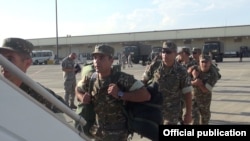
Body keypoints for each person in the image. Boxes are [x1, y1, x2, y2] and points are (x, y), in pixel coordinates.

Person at [75, 44, 151, 141]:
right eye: (94, 58)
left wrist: (121, 94)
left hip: (118, 134)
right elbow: (77, 88)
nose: (96, 61)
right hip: (97, 132)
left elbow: (145, 95)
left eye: (101, 58)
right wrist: (82, 97)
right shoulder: (91, 78)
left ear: (111, 60)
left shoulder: (122, 78)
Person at [0, 37, 66, 113]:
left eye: (9, 59)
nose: (3, 63)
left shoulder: (41, 96)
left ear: (27, 63)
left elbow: (65, 117)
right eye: (1, 58)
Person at [142, 41, 192, 125]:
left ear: (175, 54)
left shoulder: (181, 71)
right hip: (155, 109)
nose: (165, 54)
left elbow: (187, 93)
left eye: (168, 52)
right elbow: (143, 82)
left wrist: (188, 113)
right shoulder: (155, 65)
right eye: (163, 51)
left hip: (172, 112)